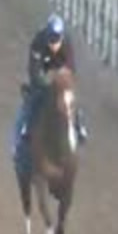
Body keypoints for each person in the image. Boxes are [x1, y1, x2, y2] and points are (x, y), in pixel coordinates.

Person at [11, 14, 89, 158]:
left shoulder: (66, 44)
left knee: (70, 98)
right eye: (51, 40)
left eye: (56, 41)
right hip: (43, 70)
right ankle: (24, 130)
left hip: (59, 71)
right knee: (33, 99)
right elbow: (33, 68)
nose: (54, 45)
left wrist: (62, 80)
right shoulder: (38, 42)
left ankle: (79, 126)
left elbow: (71, 68)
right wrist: (42, 82)